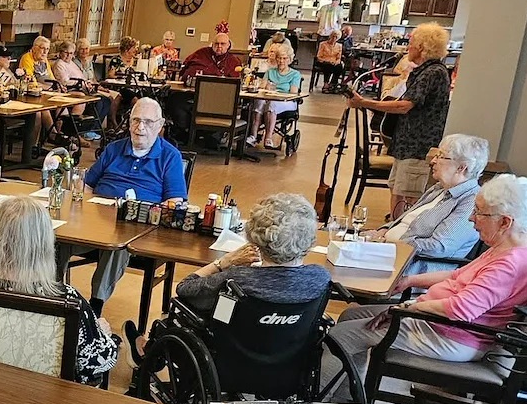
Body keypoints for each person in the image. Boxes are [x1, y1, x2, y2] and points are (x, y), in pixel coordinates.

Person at [324, 174, 527, 392]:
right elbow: (458, 275)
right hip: (441, 324)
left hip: (452, 335)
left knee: (340, 336)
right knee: (350, 315)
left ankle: (315, 401)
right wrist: (410, 280)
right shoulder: (514, 248)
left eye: (479, 212)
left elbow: (460, 309)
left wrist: (408, 307)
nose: (471, 218)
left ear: (505, 222)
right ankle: (345, 397)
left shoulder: (509, 265)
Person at [0, 196, 118, 385]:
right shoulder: (67, 300)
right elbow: (97, 362)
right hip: (39, 401)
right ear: (45, 243)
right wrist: (101, 332)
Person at [80, 98, 186, 307]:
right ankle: (53, 296)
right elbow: (87, 185)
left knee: (119, 243)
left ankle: (95, 305)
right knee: (56, 238)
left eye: (148, 122)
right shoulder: (113, 149)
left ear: (160, 125)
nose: (140, 127)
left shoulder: (169, 156)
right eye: (136, 120)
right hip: (97, 220)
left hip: (138, 225)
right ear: (128, 122)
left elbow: (174, 202)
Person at [348, 22, 453, 217]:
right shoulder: (424, 71)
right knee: (397, 188)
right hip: (407, 144)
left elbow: (405, 105)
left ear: (422, 47)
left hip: (418, 145)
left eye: (411, 43)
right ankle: (395, 224)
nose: (407, 47)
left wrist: (365, 103)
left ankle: (402, 228)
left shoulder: (433, 72)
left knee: (409, 194)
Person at [171, 193, 331, 317]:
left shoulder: (236, 279)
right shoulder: (320, 277)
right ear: (310, 240)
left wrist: (224, 261)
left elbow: (184, 288)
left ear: (255, 238)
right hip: (293, 348)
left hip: (231, 346)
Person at [368, 134, 486, 276]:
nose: (433, 161)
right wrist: (382, 231)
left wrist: (392, 244)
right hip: (388, 254)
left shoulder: (471, 201)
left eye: (441, 156)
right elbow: (406, 220)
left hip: (411, 269)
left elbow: (440, 247)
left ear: (461, 167)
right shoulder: (439, 188)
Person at [248, 44, 301, 150]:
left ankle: (268, 138)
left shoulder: (295, 74)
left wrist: (274, 90)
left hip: (286, 102)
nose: (281, 61)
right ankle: (253, 136)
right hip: (268, 98)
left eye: (284, 58)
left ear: (290, 59)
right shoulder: (270, 72)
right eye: (279, 58)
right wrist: (266, 87)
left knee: (272, 104)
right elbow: (262, 88)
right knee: (259, 102)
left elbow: (293, 93)